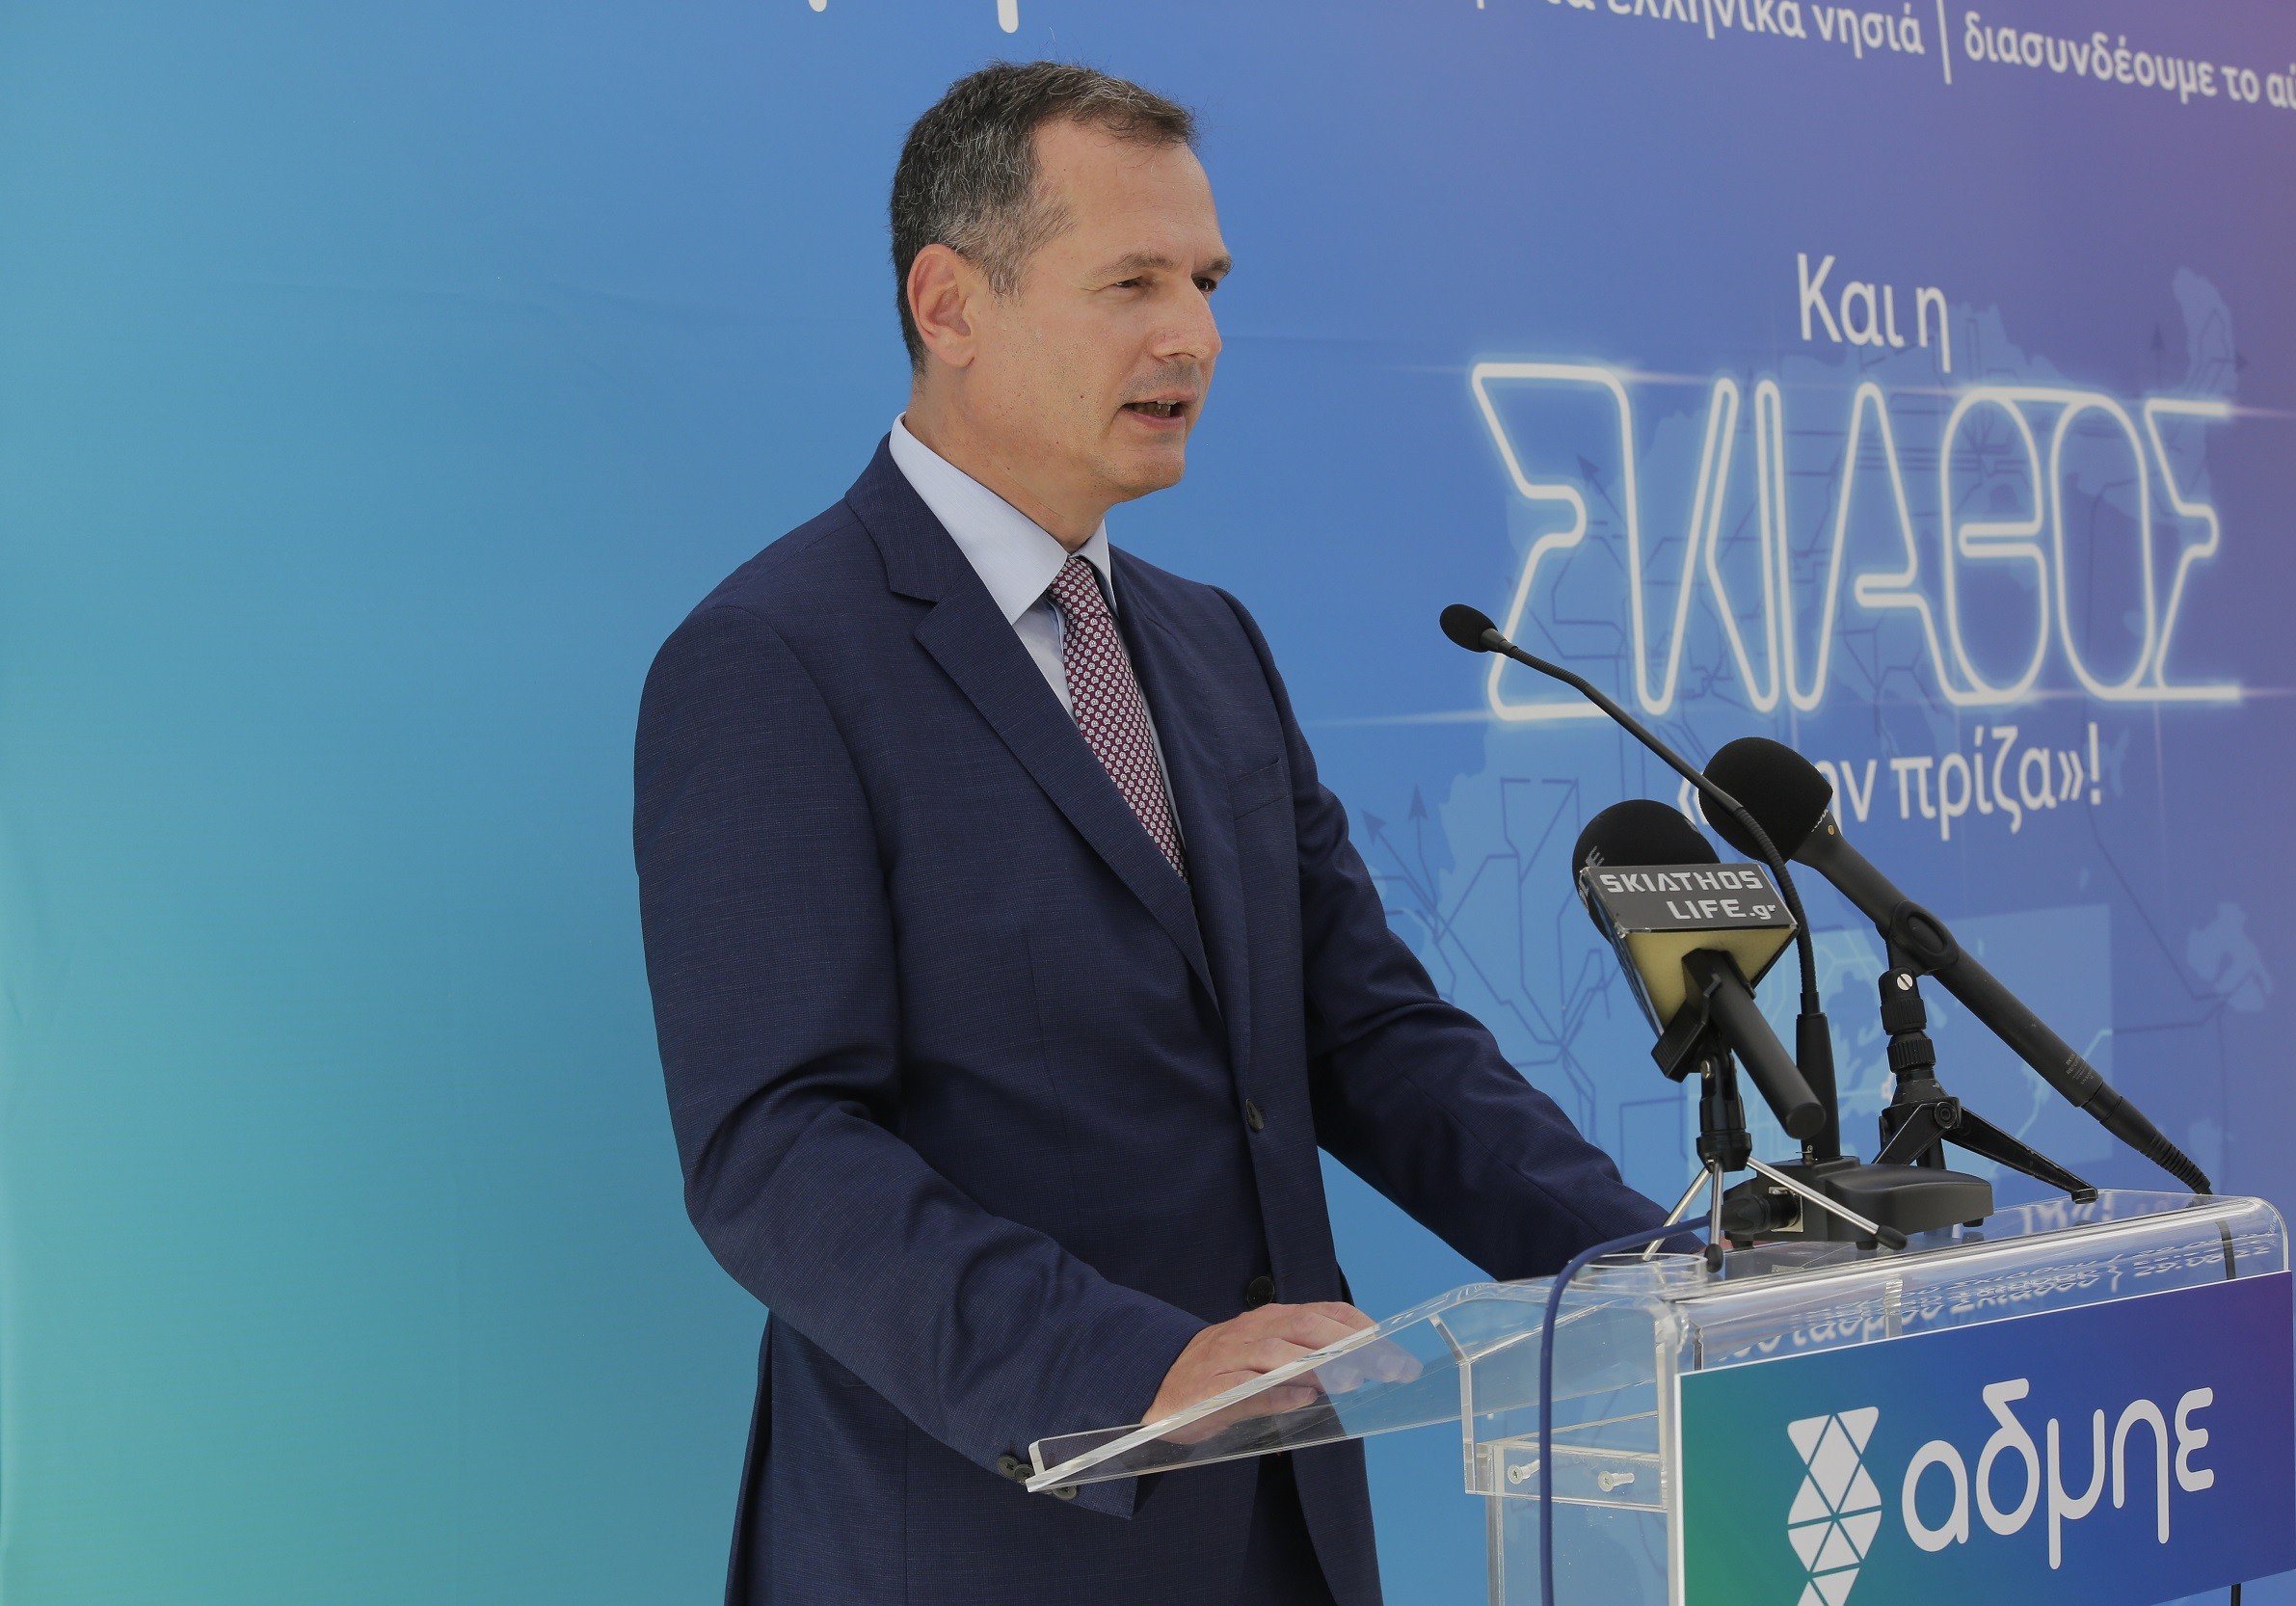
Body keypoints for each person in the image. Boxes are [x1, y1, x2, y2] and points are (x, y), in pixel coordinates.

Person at [633, 61, 1667, 1606]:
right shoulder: (774, 658)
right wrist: (1135, 1366)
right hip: (982, 1547)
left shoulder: (1210, 643)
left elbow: (1366, 1036)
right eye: (1132, 282)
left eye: (1206, 282)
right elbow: (776, 1152)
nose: (1195, 334)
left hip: (1282, 1530)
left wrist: (1650, 1271)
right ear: (949, 302)